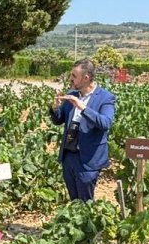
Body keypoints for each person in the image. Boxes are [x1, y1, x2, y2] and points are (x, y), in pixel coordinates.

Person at [49, 59, 116, 202]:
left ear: (86, 78)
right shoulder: (72, 93)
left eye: (74, 76)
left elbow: (105, 123)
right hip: (69, 156)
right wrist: (55, 108)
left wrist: (83, 108)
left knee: (86, 203)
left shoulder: (105, 98)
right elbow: (58, 121)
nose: (70, 79)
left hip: (88, 160)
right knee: (74, 201)